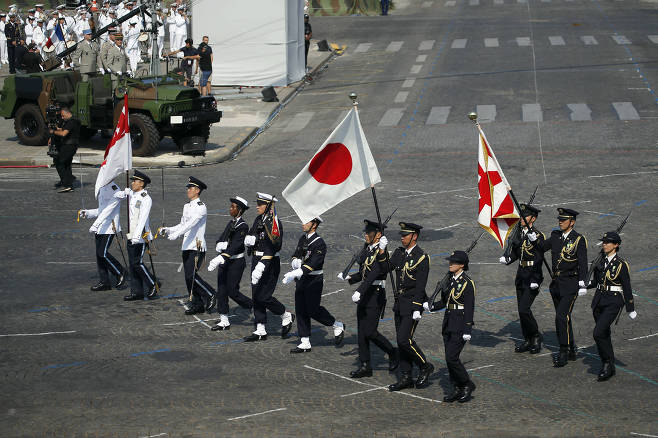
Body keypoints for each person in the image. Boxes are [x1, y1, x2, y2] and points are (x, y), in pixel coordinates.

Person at [337, 219, 398, 378]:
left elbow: (375, 272)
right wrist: (350, 277)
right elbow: (364, 273)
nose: (365, 234)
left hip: (375, 294)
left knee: (370, 331)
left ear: (378, 235)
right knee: (362, 332)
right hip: (365, 294)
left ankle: (392, 352)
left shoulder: (381, 252)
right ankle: (365, 365)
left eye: (369, 232)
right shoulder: (369, 249)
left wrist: (360, 290)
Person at [533, 208, 588, 367]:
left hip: (570, 284)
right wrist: (533, 238)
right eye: (560, 219)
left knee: (561, 317)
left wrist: (583, 282)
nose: (560, 221)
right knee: (564, 318)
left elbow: (583, 262)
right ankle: (571, 349)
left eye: (564, 220)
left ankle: (563, 350)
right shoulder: (556, 236)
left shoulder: (578, 239)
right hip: (556, 284)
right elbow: (542, 247)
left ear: (572, 222)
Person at [281, 217, 345, 353]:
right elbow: (296, 254)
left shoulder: (320, 243)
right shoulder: (303, 239)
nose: (303, 224)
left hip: (313, 280)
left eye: (306, 222)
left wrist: (297, 271)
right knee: (300, 309)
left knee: (312, 309)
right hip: (301, 278)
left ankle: (336, 324)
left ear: (314, 225)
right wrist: (295, 262)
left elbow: (313, 264)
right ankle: (304, 341)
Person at [385, 222, 434, 391]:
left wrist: (416, 307)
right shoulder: (399, 253)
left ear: (414, 236)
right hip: (400, 303)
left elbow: (420, 286)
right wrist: (381, 251)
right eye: (402, 235)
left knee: (404, 339)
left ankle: (424, 365)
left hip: (413, 304)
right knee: (401, 342)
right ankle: (406, 375)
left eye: (405, 235)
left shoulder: (422, 257)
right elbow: (385, 268)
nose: (402, 237)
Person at [160, 177, 217, 315]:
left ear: (197, 190)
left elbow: (191, 224)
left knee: (191, 276)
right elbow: (182, 224)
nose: (188, 190)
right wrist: (169, 229)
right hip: (186, 246)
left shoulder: (201, 207)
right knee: (188, 278)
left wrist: (176, 234)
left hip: (197, 247)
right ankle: (197, 304)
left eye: (190, 188)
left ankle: (210, 294)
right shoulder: (187, 206)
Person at [242, 193, 295, 342]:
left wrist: (262, 264)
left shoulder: (274, 223)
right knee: (256, 294)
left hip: (269, 262)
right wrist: (250, 239)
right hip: (256, 259)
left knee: (264, 296)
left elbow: (275, 246)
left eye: (260, 204)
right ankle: (260, 329)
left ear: (268, 206)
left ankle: (286, 314)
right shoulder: (259, 219)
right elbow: (254, 233)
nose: (257, 206)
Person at [586, 231, 637, 381]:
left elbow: (626, 287)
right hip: (598, 301)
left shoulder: (621, 264)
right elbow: (596, 281)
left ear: (616, 245)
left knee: (598, 333)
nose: (604, 244)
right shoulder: (600, 261)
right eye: (603, 242)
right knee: (604, 334)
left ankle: (607, 363)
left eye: (608, 242)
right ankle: (609, 365)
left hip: (613, 302)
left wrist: (630, 308)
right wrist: (585, 285)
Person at [431, 250, 476, 403]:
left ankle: (465, 384)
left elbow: (470, 307)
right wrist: (431, 306)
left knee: (452, 358)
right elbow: (445, 302)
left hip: (460, 324)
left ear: (462, 265)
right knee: (449, 358)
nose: (450, 264)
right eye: (450, 262)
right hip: (448, 322)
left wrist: (468, 328)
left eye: (454, 262)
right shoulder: (449, 280)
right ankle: (456, 387)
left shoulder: (467, 283)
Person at [499, 204, 545, 354]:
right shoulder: (519, 234)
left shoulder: (538, 236)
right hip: (521, 275)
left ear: (533, 218)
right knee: (521, 311)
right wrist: (508, 259)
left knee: (525, 309)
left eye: (525, 216)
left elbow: (539, 258)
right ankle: (527, 339)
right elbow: (518, 253)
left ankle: (536, 336)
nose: (522, 219)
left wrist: (535, 279)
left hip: (532, 276)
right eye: (521, 216)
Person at [207, 196, 254, 331]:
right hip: (224, 260)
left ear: (240, 210)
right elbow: (221, 238)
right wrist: (219, 245)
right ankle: (224, 320)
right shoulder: (231, 223)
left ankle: (251, 305)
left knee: (232, 291)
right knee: (221, 290)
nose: (231, 209)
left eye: (233, 207)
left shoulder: (243, 226)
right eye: (231, 206)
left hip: (236, 262)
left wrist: (224, 252)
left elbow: (236, 245)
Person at [114, 170, 158, 301]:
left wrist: (136, 237)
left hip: (140, 237)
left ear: (141, 183)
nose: (132, 183)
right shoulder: (132, 194)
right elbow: (117, 195)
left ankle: (152, 284)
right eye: (132, 180)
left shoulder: (146, 198)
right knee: (132, 265)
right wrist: (124, 192)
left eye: (134, 181)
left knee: (137, 263)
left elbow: (142, 219)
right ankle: (136, 292)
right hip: (131, 235)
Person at [79, 181, 127, 291]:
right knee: (99, 256)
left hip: (110, 227)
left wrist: (95, 224)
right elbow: (101, 210)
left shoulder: (114, 188)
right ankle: (104, 282)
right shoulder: (102, 187)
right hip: (100, 228)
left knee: (103, 253)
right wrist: (88, 213)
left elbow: (108, 210)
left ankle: (120, 272)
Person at [49, 106, 80, 193]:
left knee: (60, 162)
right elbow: (63, 129)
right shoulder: (70, 121)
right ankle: (66, 179)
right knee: (66, 164)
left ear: (67, 113)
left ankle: (68, 184)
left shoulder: (72, 121)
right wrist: (56, 128)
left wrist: (53, 132)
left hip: (69, 146)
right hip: (68, 145)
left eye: (63, 116)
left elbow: (63, 133)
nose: (62, 117)